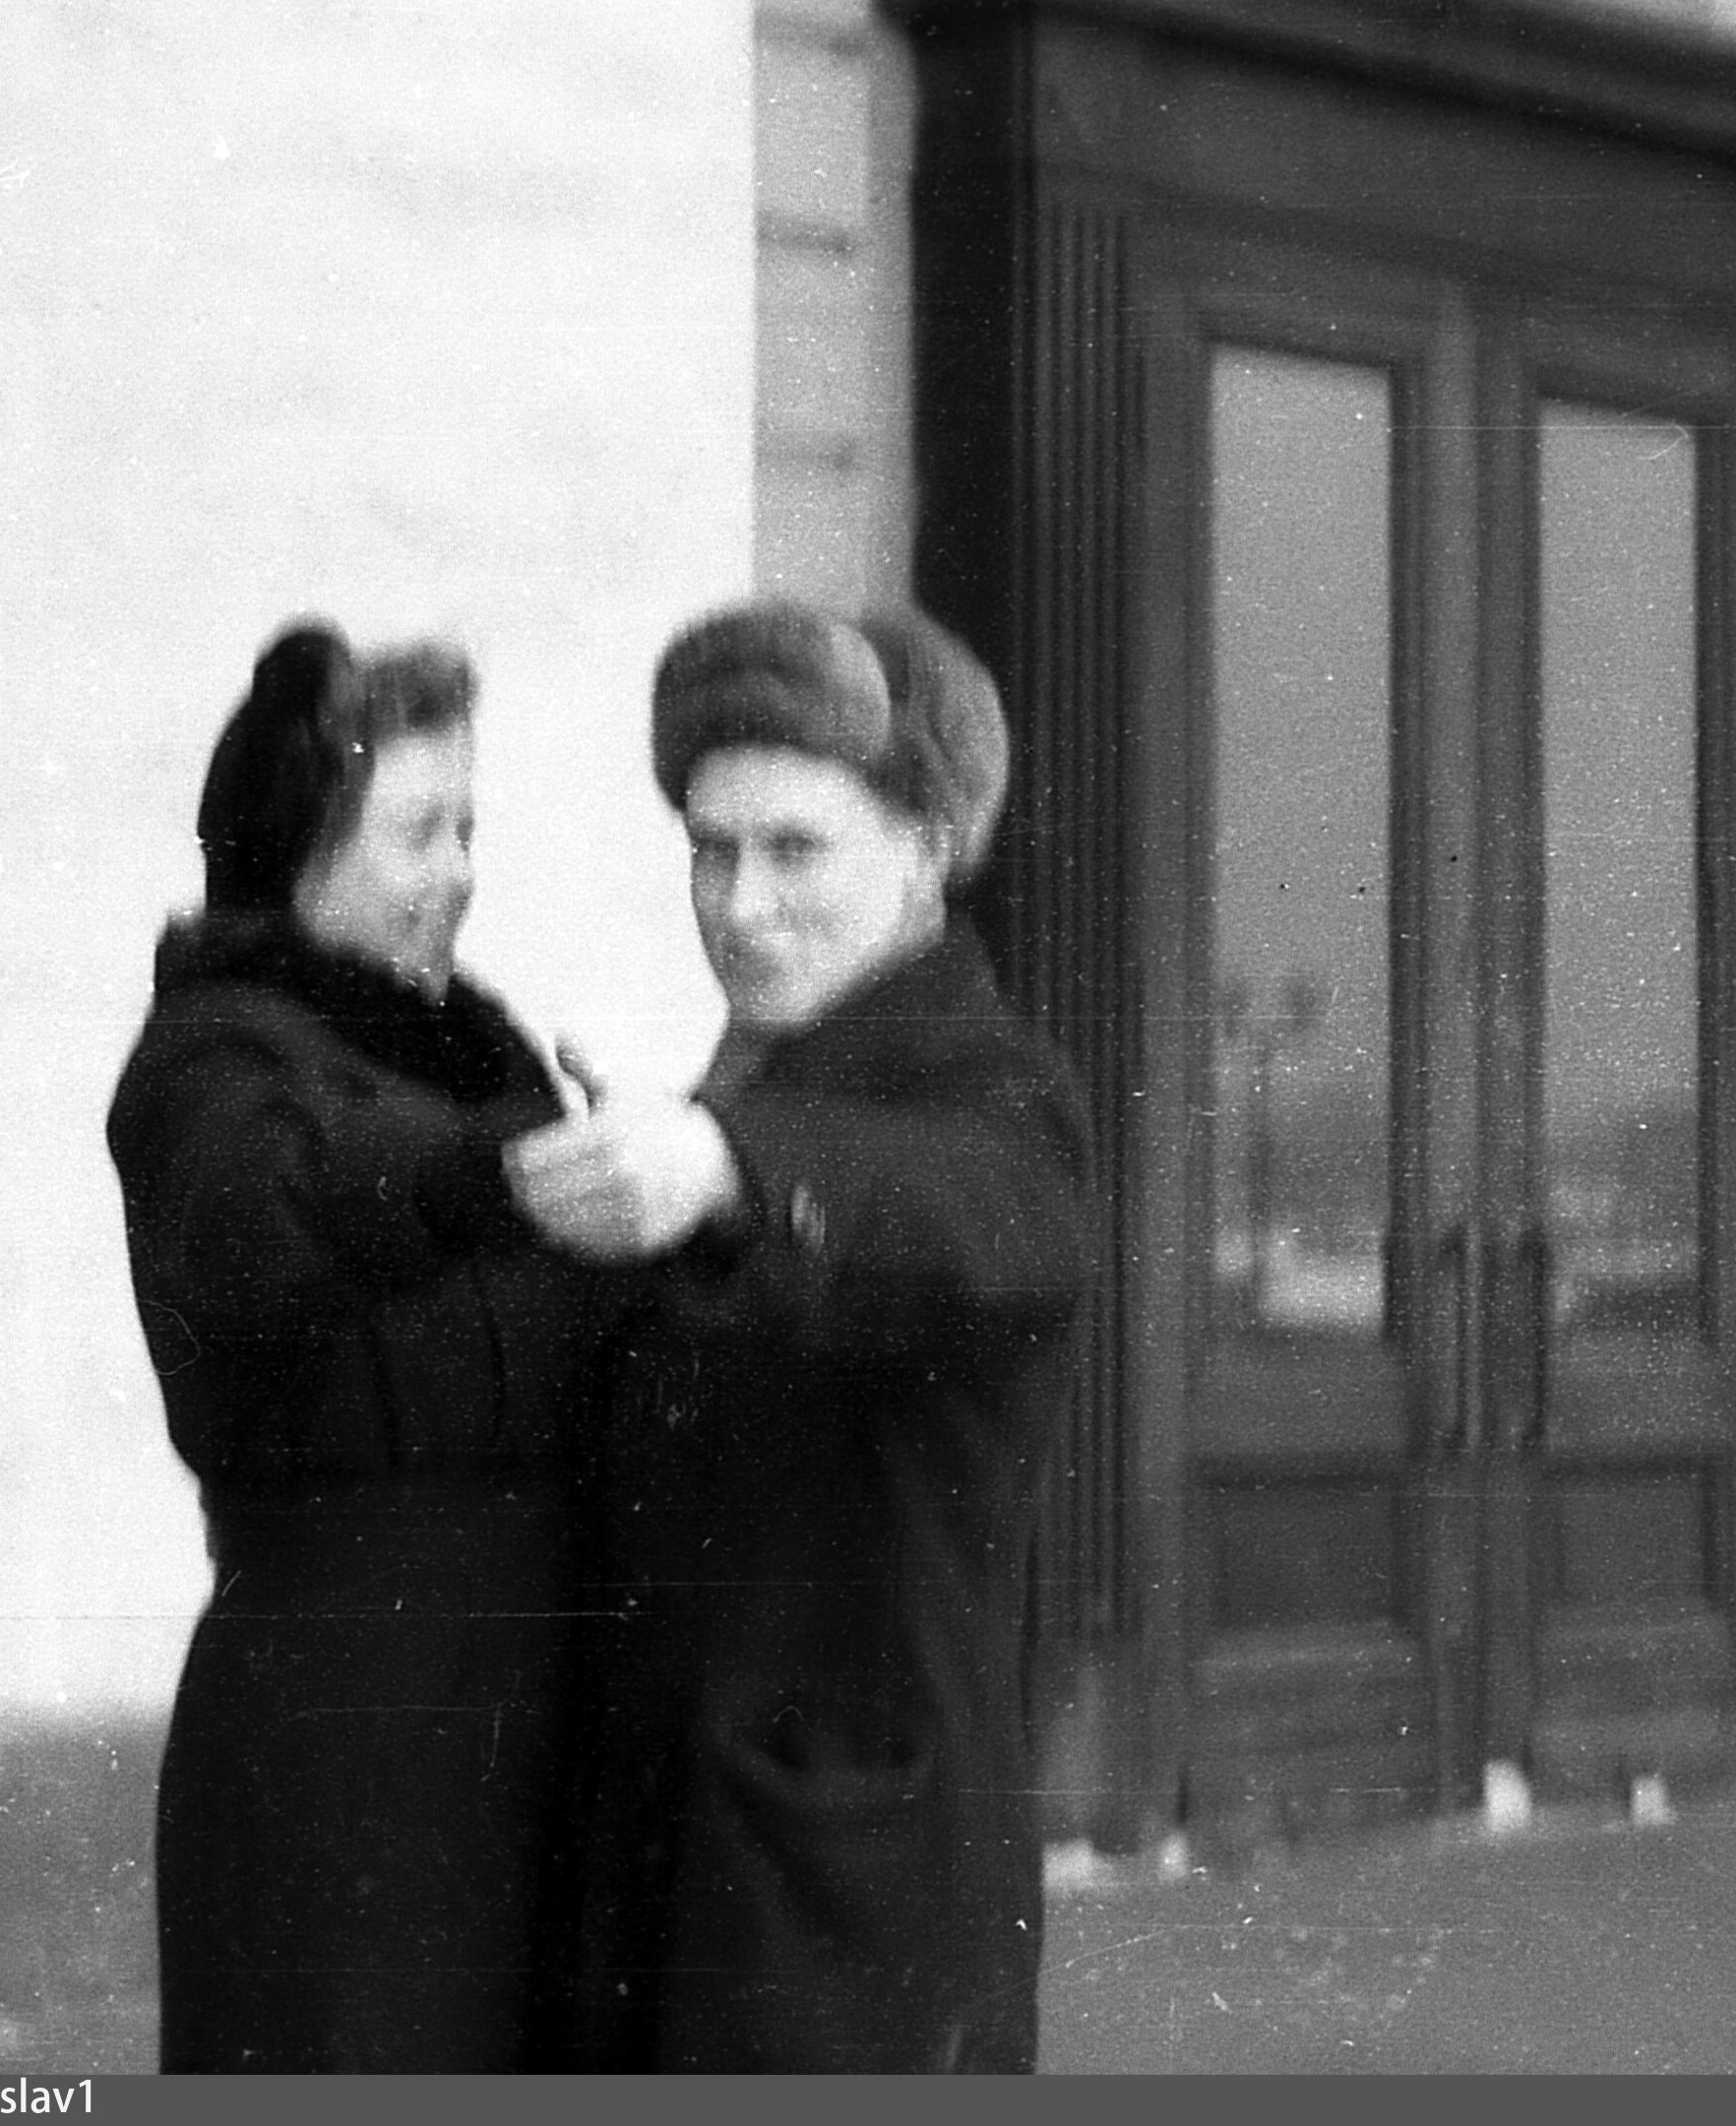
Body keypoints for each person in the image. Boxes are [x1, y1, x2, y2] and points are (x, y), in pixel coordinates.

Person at [507, 597, 1095, 2072]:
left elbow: (986, 1218)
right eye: (710, 849)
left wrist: (726, 1168)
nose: (739, 903)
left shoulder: (999, 1095)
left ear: (925, 846)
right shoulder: (763, 1086)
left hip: (853, 1930)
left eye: (794, 849)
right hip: (686, 1902)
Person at [105, 619, 589, 2072]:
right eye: (419, 831)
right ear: (297, 851)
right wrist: (488, 1174)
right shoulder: (209, 1064)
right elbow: (265, 1214)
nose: (462, 870)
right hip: (341, 1749)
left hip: (525, 1740)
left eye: (469, 828)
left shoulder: (478, 1049)